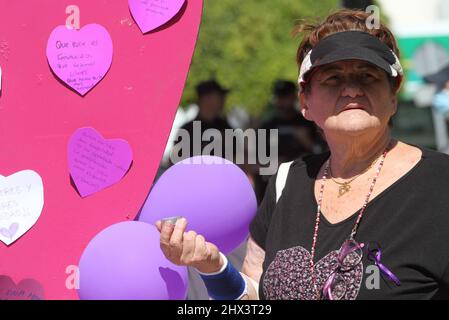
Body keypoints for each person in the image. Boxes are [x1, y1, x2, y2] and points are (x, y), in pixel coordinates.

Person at [156, 9, 449, 300]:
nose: (351, 90)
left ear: (393, 95)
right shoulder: (287, 181)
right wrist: (215, 267)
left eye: (368, 76)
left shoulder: (439, 184)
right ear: (305, 101)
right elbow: (255, 299)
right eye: (332, 78)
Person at [254, 79, 327, 203]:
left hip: (302, 180)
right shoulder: (267, 125)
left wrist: (306, 142)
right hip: (272, 183)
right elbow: (253, 163)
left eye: (286, 96)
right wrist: (274, 164)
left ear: (294, 97)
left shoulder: (308, 123)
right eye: (280, 97)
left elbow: (323, 152)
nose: (284, 101)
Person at [171, 79, 233, 163]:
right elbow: (175, 163)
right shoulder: (188, 130)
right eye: (219, 96)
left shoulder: (226, 127)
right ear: (206, 99)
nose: (223, 100)